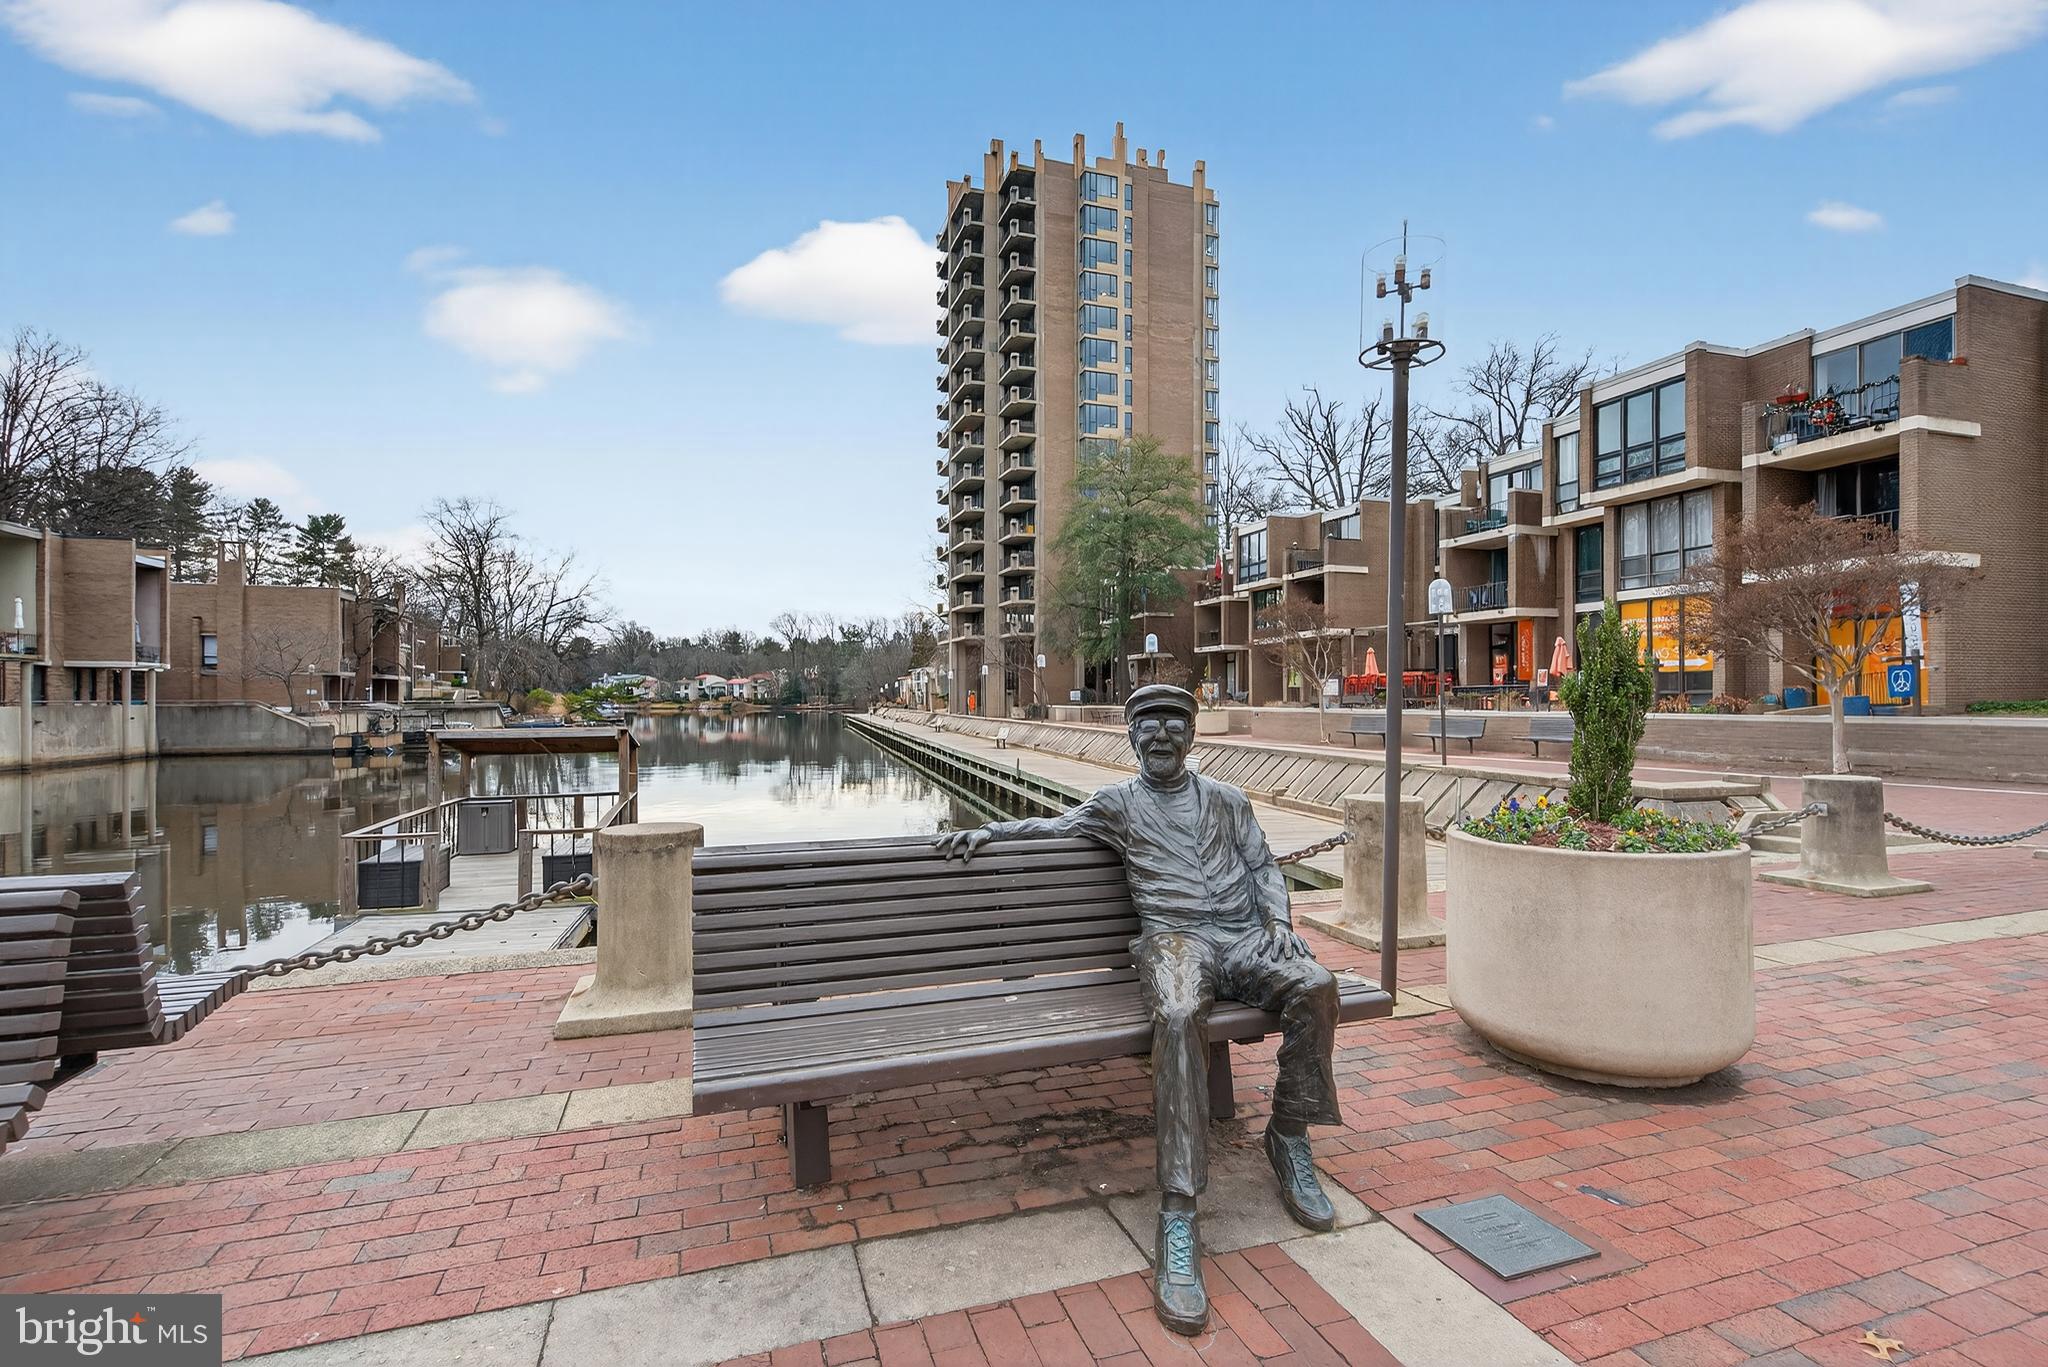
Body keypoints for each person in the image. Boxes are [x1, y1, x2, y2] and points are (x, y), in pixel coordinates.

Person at [934, 684, 1340, 1336]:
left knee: (1316, 983)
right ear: (1131, 734)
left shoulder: (1230, 800)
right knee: (1178, 1015)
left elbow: (1264, 864)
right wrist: (986, 830)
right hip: (1174, 943)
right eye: (1147, 723)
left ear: (1191, 733)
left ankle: (1289, 1134)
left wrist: (1280, 921)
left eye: (1173, 723)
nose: (1160, 734)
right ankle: (1179, 1207)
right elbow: (1049, 826)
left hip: (1244, 939)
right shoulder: (1116, 804)